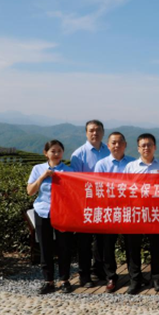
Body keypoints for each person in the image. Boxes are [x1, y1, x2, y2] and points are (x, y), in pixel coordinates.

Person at [123, 133, 159, 294]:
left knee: (157, 247)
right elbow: (124, 189)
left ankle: (157, 278)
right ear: (138, 148)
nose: (146, 148)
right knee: (133, 248)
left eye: (149, 145)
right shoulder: (131, 167)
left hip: (156, 212)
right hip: (135, 212)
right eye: (143, 145)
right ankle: (135, 280)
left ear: (154, 147)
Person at [27, 140, 74, 294]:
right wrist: (43, 176)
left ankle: (64, 280)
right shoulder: (37, 169)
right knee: (45, 247)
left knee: (64, 246)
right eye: (53, 151)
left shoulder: (69, 171)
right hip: (42, 211)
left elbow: (74, 194)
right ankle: (48, 281)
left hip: (63, 213)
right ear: (45, 153)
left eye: (59, 151)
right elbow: (30, 191)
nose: (56, 154)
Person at [93, 132, 136, 293]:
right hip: (109, 210)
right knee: (107, 246)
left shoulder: (133, 163)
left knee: (132, 244)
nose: (117, 145)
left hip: (130, 209)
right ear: (108, 145)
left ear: (125, 145)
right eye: (113, 143)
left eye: (120, 142)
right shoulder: (101, 164)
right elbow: (97, 188)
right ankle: (111, 276)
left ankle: (134, 276)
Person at [70, 119, 110, 287]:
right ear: (86, 133)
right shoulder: (78, 154)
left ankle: (99, 270)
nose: (95, 133)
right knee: (84, 241)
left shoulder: (109, 150)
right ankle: (84, 275)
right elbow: (75, 182)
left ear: (103, 132)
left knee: (102, 240)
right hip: (86, 203)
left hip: (105, 203)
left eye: (98, 130)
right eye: (91, 130)